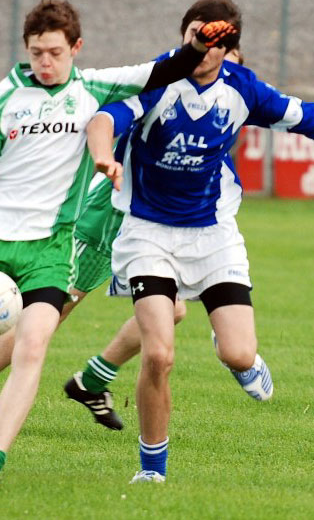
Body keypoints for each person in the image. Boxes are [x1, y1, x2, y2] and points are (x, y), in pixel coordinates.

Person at [0, 0, 237, 486]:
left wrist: (197, 46)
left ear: (76, 48)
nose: (45, 63)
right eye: (36, 53)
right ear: (25, 49)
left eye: (54, 53)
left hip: (52, 248)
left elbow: (164, 70)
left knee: (35, 344)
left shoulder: (93, 87)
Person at [63, 0, 314, 485]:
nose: (200, 48)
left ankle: (236, 353)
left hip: (212, 236)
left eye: (212, 41)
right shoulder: (160, 79)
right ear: (184, 36)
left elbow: (304, 116)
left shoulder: (243, 90)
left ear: (228, 49)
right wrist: (102, 157)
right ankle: (152, 471)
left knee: (239, 354)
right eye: (193, 37)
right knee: (159, 353)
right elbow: (103, 120)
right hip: (148, 235)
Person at [64, 47, 274, 432]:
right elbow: (108, 120)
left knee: (172, 311)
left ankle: (90, 381)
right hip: (117, 216)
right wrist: (103, 155)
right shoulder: (163, 89)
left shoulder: (226, 114)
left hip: (183, 233)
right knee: (51, 308)